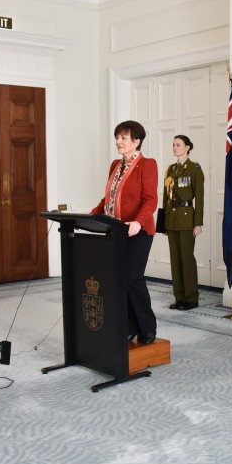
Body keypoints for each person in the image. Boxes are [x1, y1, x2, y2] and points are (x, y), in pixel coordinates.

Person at [90, 120, 159, 345]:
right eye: (117, 137)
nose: (119, 142)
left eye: (124, 138)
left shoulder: (147, 164)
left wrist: (138, 222)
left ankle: (147, 328)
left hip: (138, 231)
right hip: (116, 230)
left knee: (132, 278)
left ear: (136, 141)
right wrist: (93, 214)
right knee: (119, 280)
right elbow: (108, 198)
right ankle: (129, 327)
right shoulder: (114, 165)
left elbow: (151, 200)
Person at [163, 134, 204, 311]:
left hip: (187, 219)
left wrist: (198, 223)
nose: (175, 147)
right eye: (173, 145)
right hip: (172, 219)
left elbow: (200, 198)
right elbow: (165, 197)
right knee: (175, 259)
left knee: (187, 259)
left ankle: (191, 298)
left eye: (178, 144)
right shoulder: (170, 169)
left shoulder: (194, 169)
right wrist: (163, 222)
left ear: (187, 147)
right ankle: (179, 297)